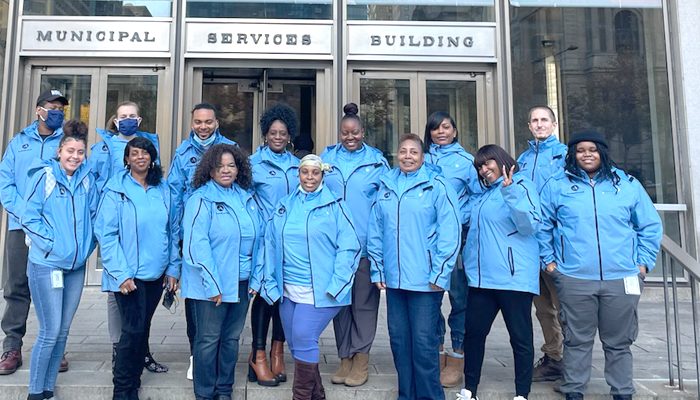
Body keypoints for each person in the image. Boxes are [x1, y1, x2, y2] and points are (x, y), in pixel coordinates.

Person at [537, 131, 662, 400]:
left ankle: (622, 392)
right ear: (573, 154)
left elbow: (649, 226)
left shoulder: (626, 185)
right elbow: (542, 225)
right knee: (576, 340)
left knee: (619, 342)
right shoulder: (557, 185)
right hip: (574, 278)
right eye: (580, 150)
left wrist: (642, 265)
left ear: (602, 152)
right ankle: (574, 390)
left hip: (622, 277)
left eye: (592, 149)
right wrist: (549, 263)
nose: (587, 154)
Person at [259, 154, 360, 399]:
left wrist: (337, 284)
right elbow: (270, 242)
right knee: (297, 344)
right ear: (298, 174)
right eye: (305, 172)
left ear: (322, 175)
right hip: (287, 290)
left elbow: (350, 246)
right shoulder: (285, 204)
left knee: (304, 336)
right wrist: (268, 282)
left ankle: (301, 395)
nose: (310, 177)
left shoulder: (335, 205)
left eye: (315, 173)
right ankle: (317, 394)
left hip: (320, 290)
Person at [367, 133, 460, 400]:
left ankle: (431, 396)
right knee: (399, 343)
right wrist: (378, 269)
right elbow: (375, 231)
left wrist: (440, 273)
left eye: (414, 152)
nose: (408, 156)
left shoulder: (437, 185)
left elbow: (450, 232)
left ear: (422, 156)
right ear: (397, 154)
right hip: (394, 281)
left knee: (423, 345)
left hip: (425, 281)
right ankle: (405, 395)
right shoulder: (386, 185)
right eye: (403, 151)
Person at [94, 137, 178, 400]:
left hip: (156, 274)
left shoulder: (163, 190)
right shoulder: (115, 189)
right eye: (134, 153)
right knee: (131, 332)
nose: (140, 157)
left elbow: (173, 231)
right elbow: (106, 235)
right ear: (127, 159)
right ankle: (123, 391)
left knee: (142, 328)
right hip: (127, 277)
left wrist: (173, 268)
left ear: (152, 157)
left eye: (145, 153)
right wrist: (121, 274)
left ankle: (134, 383)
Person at [456, 145, 541, 400]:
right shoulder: (482, 196)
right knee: (473, 335)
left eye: (487, 163)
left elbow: (530, 225)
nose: (484, 170)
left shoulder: (521, 185)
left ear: (501, 160)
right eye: (480, 167)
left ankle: (522, 394)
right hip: (482, 280)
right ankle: (469, 390)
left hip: (513, 279)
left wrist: (510, 191)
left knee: (520, 338)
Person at [21, 121, 98, 400]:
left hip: (75, 268)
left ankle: (48, 390)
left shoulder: (87, 179)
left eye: (80, 152)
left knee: (63, 332)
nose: (75, 156)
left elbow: (94, 215)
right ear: (59, 150)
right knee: (50, 331)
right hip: (47, 264)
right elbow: (28, 217)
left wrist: (88, 245)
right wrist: (52, 245)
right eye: (70, 151)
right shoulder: (44, 176)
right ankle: (34, 393)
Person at [181, 144, 263, 400]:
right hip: (210, 285)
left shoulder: (247, 198)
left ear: (239, 169)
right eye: (220, 166)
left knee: (230, 339)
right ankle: (205, 394)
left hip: (241, 282)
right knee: (208, 339)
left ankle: (224, 390)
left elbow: (260, 240)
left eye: (231, 165)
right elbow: (196, 245)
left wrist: (256, 277)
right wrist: (213, 283)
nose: (226, 170)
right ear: (210, 170)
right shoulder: (200, 199)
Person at [90, 101, 167, 374]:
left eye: (132, 116)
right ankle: (121, 355)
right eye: (123, 116)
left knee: (140, 319)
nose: (127, 120)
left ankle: (139, 354)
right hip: (118, 232)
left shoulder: (156, 174)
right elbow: (93, 186)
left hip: (147, 251)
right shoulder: (101, 151)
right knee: (122, 308)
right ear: (115, 120)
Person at [0, 89, 70, 375]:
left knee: (52, 289)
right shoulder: (19, 142)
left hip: (52, 231)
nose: (57, 112)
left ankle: (54, 346)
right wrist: (27, 215)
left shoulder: (67, 142)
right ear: (38, 110)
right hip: (20, 227)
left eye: (61, 108)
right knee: (17, 287)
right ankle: (12, 346)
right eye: (52, 107)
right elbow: (6, 184)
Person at [167, 103, 237, 380]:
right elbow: (174, 194)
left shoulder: (230, 148)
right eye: (198, 122)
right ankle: (197, 354)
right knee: (196, 298)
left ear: (217, 122)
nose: (203, 127)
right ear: (192, 122)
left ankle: (218, 351)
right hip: (193, 233)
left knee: (224, 295)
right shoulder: (182, 152)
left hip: (223, 233)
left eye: (208, 122)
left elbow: (239, 183)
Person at [322, 103, 389, 387]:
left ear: (363, 132)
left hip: (363, 246)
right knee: (340, 305)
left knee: (363, 305)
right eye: (345, 132)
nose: (350, 137)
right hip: (335, 248)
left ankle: (361, 358)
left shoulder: (377, 161)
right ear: (340, 133)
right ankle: (344, 357)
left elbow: (385, 205)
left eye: (355, 132)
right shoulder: (326, 159)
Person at [423, 111, 482, 388]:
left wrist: (457, 216)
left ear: (455, 131)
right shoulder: (421, 159)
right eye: (435, 128)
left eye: (446, 127)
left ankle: (457, 354)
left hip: (458, 242)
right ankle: (436, 351)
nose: (441, 132)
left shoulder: (466, 162)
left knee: (460, 299)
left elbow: (478, 197)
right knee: (431, 299)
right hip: (426, 243)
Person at [248, 103, 300, 386]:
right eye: (272, 132)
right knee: (265, 296)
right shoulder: (253, 165)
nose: (278, 137)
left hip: (291, 242)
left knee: (286, 296)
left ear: (289, 135)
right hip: (265, 242)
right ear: (265, 135)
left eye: (283, 133)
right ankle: (258, 355)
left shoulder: (297, 166)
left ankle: (278, 350)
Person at [516, 105, 567, 382]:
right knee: (543, 308)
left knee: (564, 307)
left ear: (554, 124)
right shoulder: (523, 159)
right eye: (534, 120)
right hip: (530, 245)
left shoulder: (565, 156)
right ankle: (554, 357)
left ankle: (573, 361)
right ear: (529, 126)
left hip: (557, 245)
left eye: (544, 120)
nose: (539, 124)